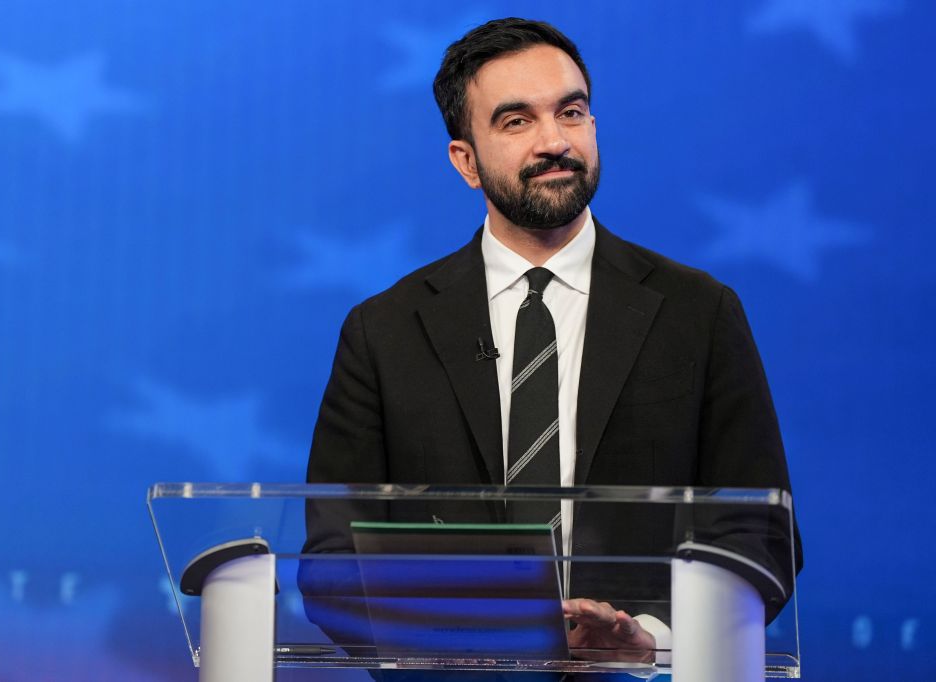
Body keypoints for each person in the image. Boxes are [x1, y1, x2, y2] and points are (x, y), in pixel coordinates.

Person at [303, 17, 802, 665]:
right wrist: (466, 654)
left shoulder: (698, 313)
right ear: (466, 162)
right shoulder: (385, 331)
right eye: (516, 121)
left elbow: (760, 534)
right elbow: (332, 563)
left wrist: (651, 641)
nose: (554, 141)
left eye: (571, 112)